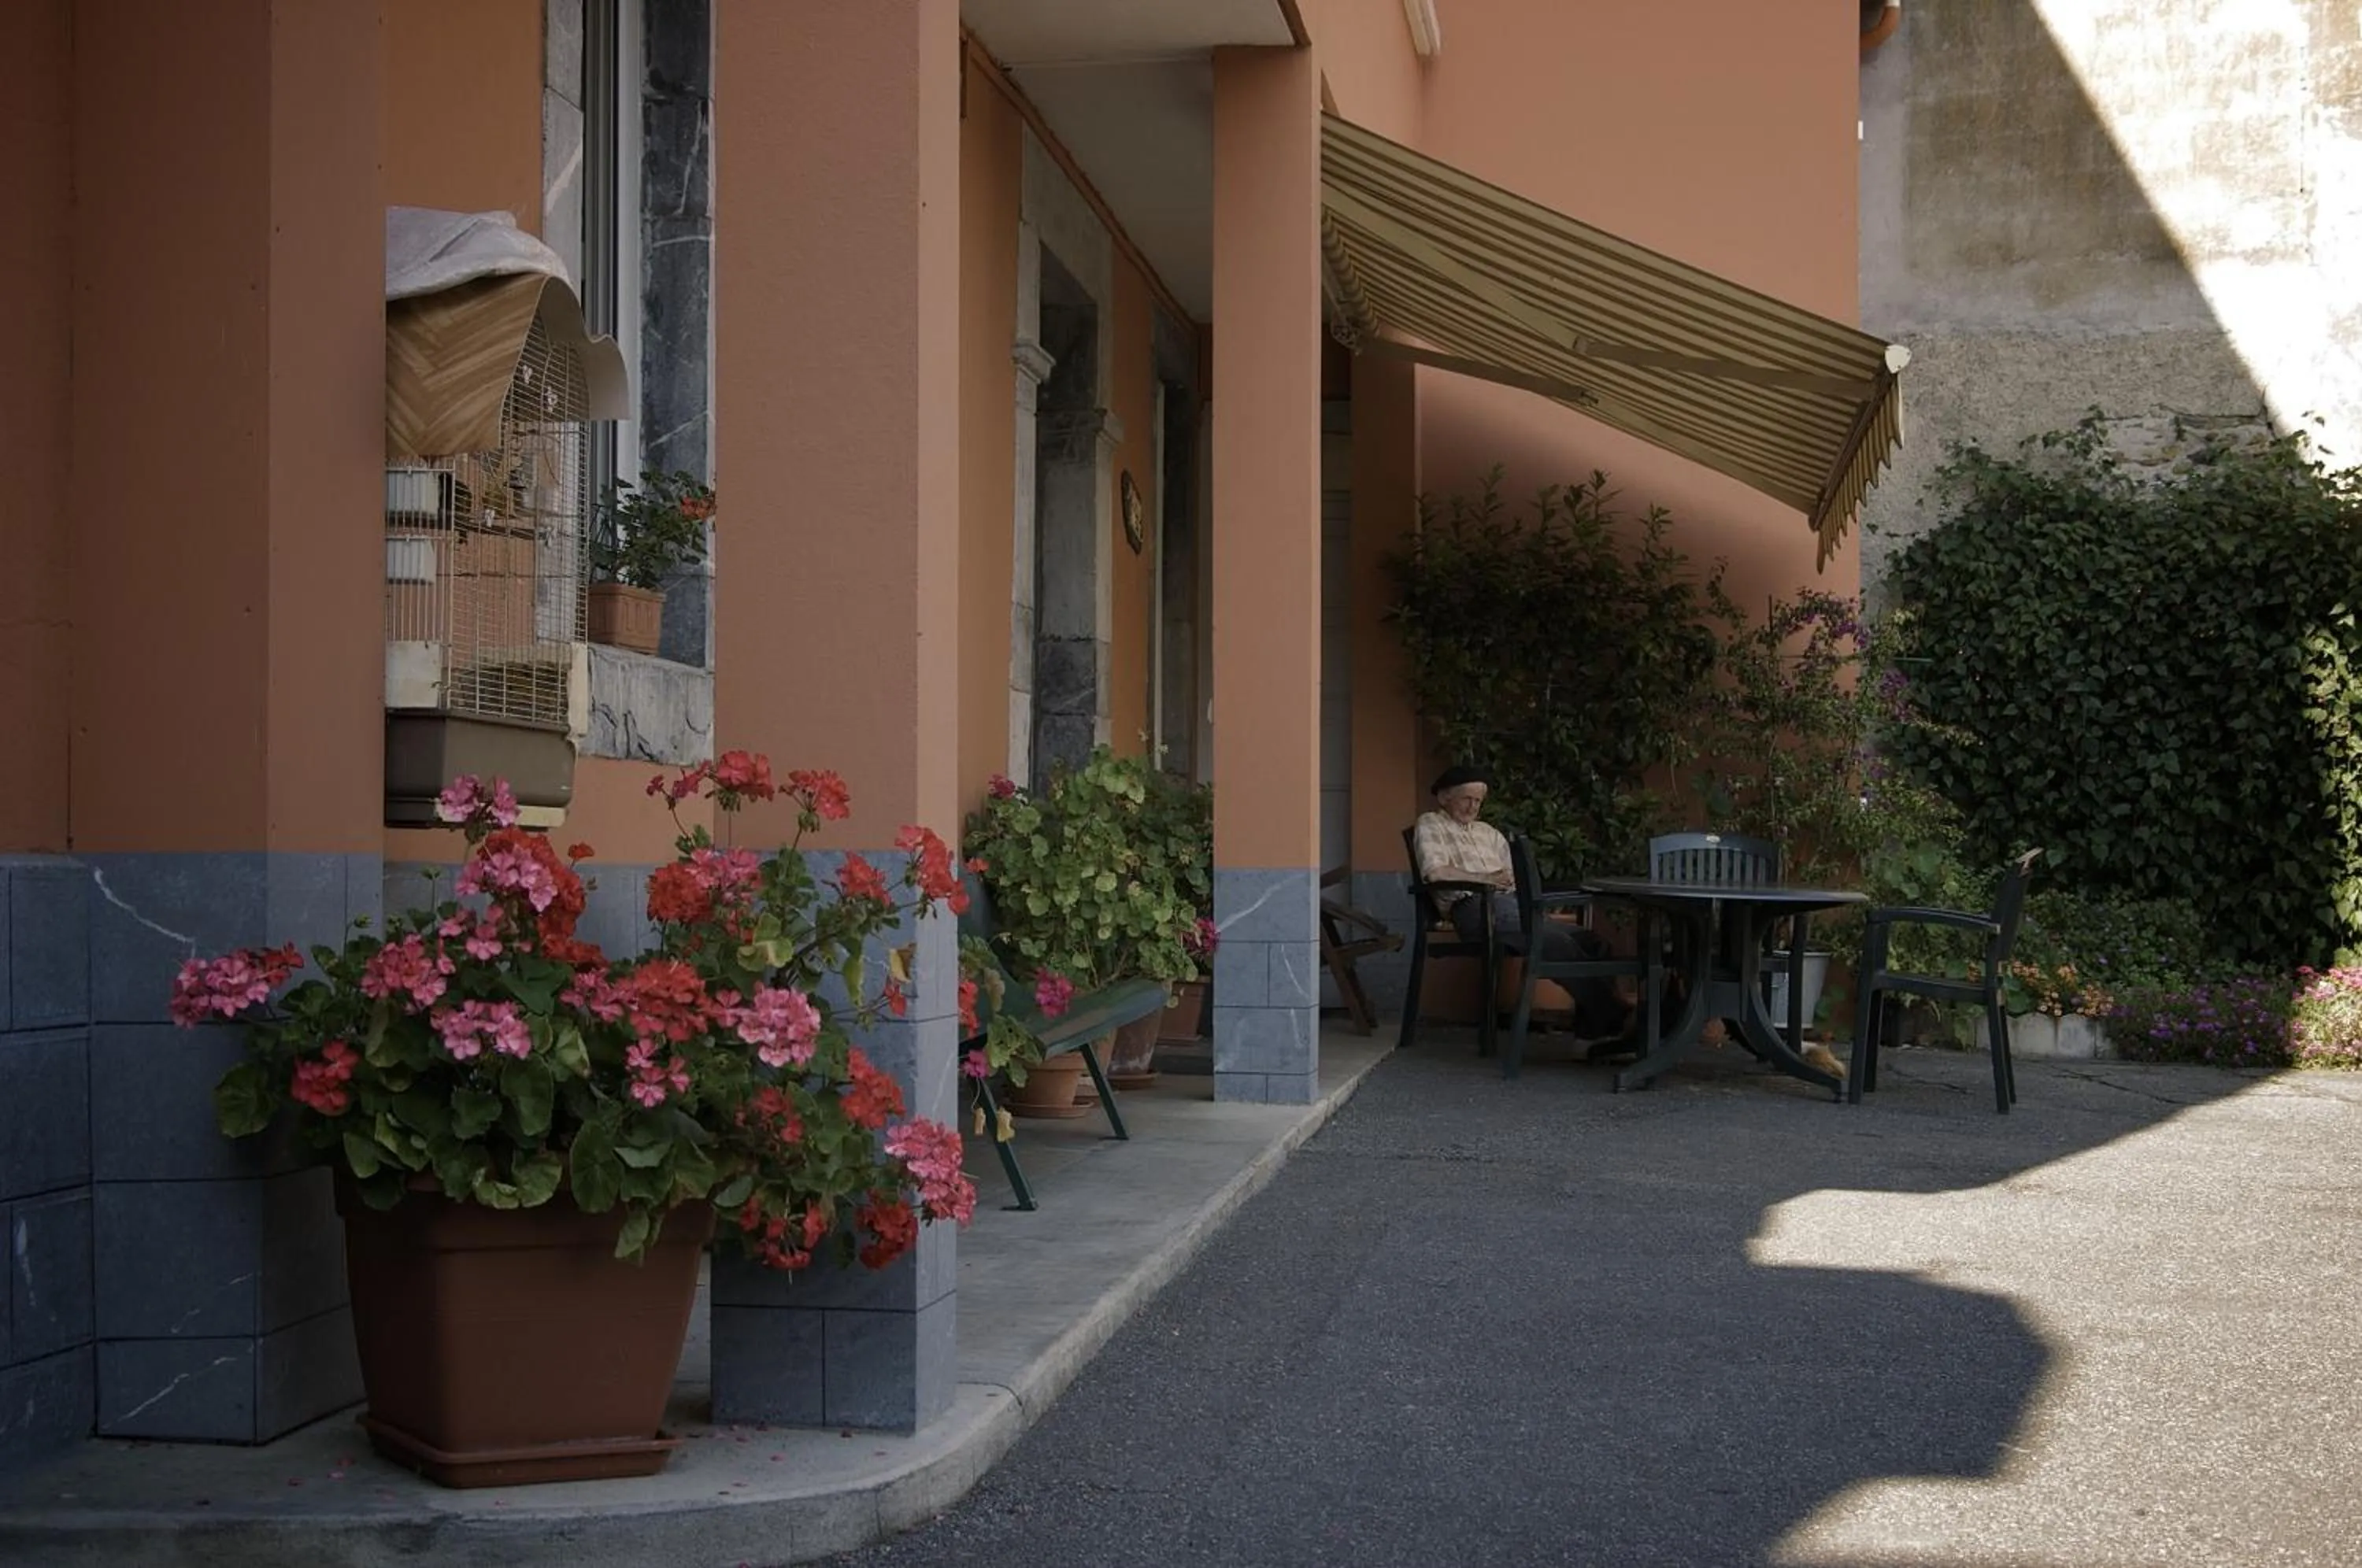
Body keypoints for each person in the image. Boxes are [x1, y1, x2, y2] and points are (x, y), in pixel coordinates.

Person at [1411, 765, 1635, 1041]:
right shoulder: (1431, 824)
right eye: (1466, 799)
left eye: (1478, 801)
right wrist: (1485, 879)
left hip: (1512, 906)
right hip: (1474, 910)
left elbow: (1513, 880)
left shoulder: (1490, 833)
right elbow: (1435, 872)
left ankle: (1597, 1026)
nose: (1473, 806)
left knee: (1592, 942)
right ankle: (1620, 1016)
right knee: (1553, 942)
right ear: (1445, 797)